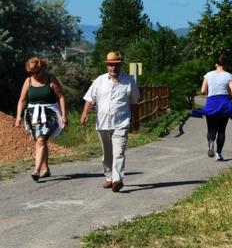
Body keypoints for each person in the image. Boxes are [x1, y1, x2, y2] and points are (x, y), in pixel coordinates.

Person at [80, 51, 140, 192]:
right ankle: (109, 177)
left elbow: (135, 102)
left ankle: (117, 179)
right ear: (107, 66)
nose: (113, 68)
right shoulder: (99, 81)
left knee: (118, 152)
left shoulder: (129, 81)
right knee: (107, 153)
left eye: (116, 65)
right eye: (111, 65)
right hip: (103, 123)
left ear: (120, 66)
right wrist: (85, 113)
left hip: (121, 123)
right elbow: (90, 98)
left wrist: (136, 120)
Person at [13, 56, 68, 181]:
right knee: (40, 141)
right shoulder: (28, 81)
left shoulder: (51, 79)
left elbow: (61, 97)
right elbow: (22, 100)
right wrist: (18, 117)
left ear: (42, 68)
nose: (34, 75)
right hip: (33, 115)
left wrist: (64, 115)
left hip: (50, 113)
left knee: (41, 140)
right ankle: (46, 169)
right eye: (32, 72)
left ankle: (36, 170)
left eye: (36, 72)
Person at [199, 53, 232, 161]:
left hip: (212, 103)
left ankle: (211, 141)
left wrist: (209, 93)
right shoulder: (229, 76)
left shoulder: (208, 75)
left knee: (211, 129)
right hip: (224, 104)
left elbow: (202, 91)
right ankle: (218, 154)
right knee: (221, 130)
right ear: (225, 65)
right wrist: (229, 98)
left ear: (216, 64)